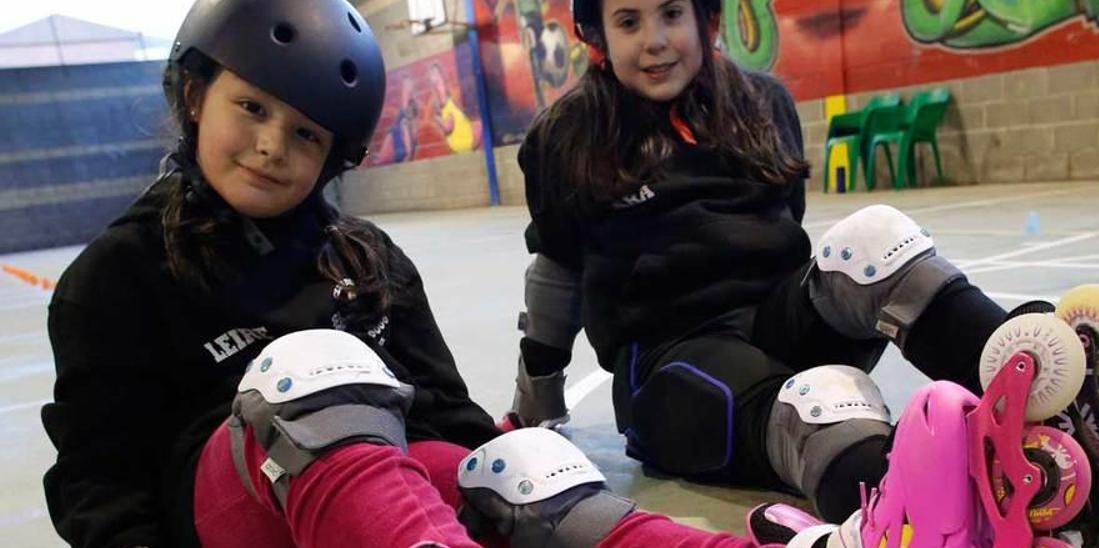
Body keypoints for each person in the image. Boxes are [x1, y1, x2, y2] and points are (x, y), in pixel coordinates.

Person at [37, 1, 849, 546]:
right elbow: (97, 482)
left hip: (365, 504)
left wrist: (517, 472)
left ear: (333, 157)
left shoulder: (365, 259)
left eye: (305, 135)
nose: (271, 147)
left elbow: (447, 417)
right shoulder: (120, 272)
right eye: (251, 109)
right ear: (194, 93)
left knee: (513, 462)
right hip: (229, 514)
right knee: (315, 378)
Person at [505, 0, 1011, 523]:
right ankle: (912, 513)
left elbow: (786, 221)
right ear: (597, 37)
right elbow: (558, 269)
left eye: (672, 14)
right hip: (672, 365)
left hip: (778, 324)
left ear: (707, 19)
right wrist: (537, 393)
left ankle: (1039, 385)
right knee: (819, 408)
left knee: (874, 241)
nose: (654, 40)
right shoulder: (569, 134)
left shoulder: (762, 102)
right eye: (629, 22)